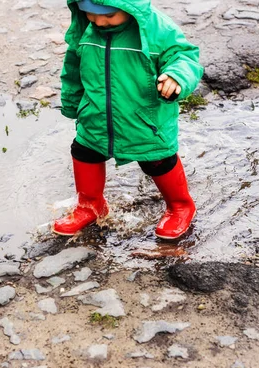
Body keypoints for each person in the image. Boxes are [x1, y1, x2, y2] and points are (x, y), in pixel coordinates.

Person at [53, 0, 204, 239]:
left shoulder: (157, 29)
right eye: (90, 15)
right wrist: (74, 104)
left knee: (158, 161)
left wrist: (176, 76)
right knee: (84, 152)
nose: (99, 22)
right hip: (95, 116)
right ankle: (90, 205)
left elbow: (185, 57)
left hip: (145, 121)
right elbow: (72, 68)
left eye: (109, 15)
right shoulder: (86, 30)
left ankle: (180, 206)